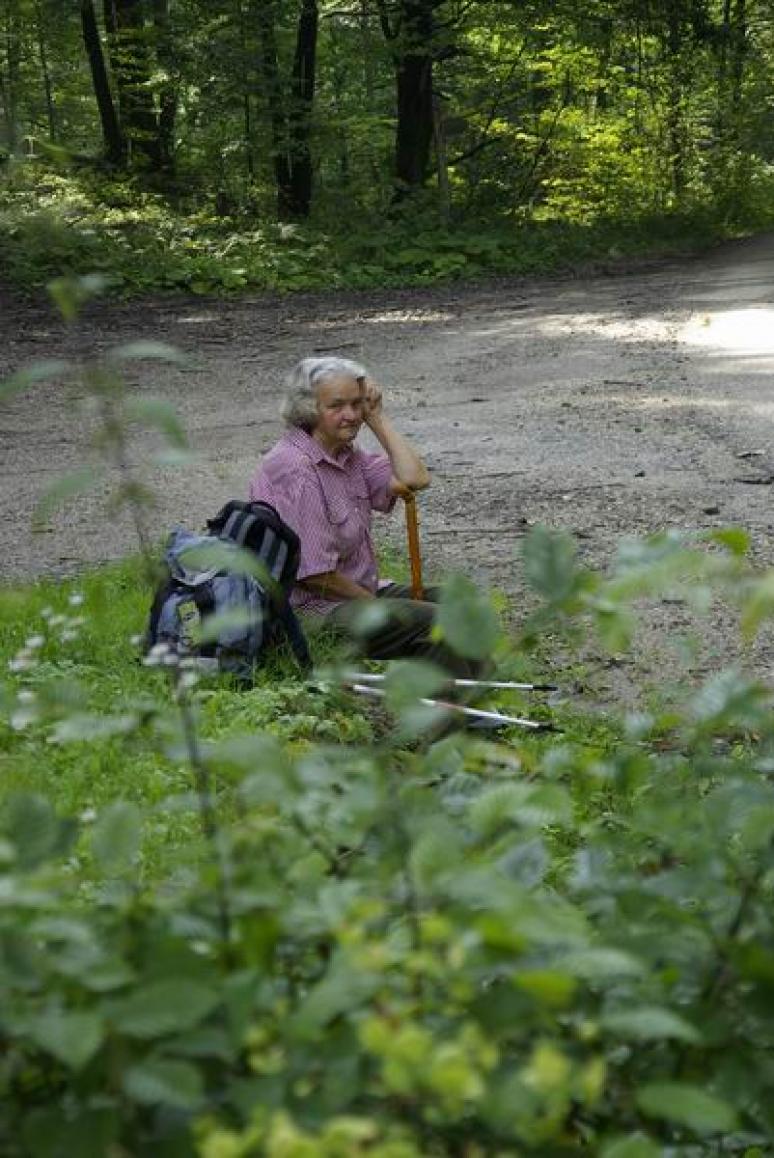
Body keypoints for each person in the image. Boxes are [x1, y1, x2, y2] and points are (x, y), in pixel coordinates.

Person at [248, 356, 482, 677]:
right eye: (337, 406)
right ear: (308, 408)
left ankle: (488, 699)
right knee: (434, 622)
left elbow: (415, 478)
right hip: (308, 611)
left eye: (357, 404)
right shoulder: (296, 469)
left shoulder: (346, 455)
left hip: (354, 592)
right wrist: (375, 606)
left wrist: (378, 419)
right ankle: (462, 721)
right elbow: (314, 575)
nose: (351, 415)